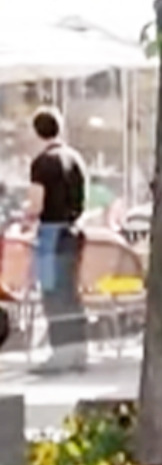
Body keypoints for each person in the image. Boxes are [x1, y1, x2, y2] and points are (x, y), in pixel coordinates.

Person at [24, 108, 88, 374]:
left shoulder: (42, 163)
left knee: (53, 295)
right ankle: (78, 351)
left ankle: (60, 353)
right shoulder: (75, 158)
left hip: (51, 232)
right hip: (73, 231)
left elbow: (37, 204)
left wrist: (25, 215)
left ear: (36, 132)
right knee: (70, 294)